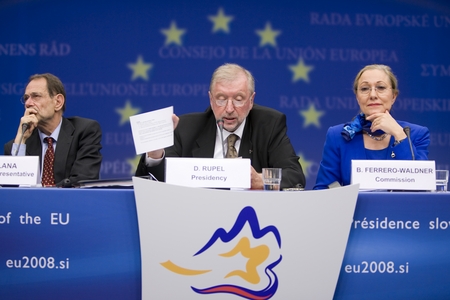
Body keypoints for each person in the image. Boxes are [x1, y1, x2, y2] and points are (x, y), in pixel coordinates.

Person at [135, 63, 305, 189]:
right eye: (221, 99)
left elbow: (295, 177)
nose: (229, 109)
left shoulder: (269, 125)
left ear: (251, 100)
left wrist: (261, 180)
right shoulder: (186, 128)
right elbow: (154, 184)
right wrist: (155, 155)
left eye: (238, 99)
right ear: (211, 99)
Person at [314, 64, 430, 190]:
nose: (373, 95)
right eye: (364, 89)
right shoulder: (338, 135)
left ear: (393, 96)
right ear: (357, 97)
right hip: (355, 210)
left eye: (380, 87)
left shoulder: (417, 134)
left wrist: (398, 133)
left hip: (401, 210)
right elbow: (324, 190)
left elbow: (421, 187)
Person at [4, 73, 102, 187]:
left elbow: (83, 180)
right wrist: (21, 140)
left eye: (36, 96)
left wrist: (44, 191)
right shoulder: (17, 145)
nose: (28, 103)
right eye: (26, 98)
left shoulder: (84, 131)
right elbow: (10, 190)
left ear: (58, 102)